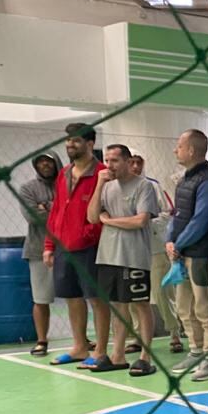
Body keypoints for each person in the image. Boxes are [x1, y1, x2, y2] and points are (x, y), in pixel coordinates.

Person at [86, 144, 160, 376]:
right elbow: (91, 217)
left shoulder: (144, 186)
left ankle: (145, 356)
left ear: (128, 162)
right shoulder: (107, 187)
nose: (110, 165)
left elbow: (140, 221)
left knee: (140, 304)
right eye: (107, 160)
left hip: (133, 255)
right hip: (108, 254)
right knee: (117, 306)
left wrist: (109, 221)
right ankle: (117, 355)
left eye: (115, 160)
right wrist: (99, 183)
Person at [44, 123, 110, 369]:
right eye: (68, 141)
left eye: (76, 141)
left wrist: (86, 234)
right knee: (72, 298)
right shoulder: (63, 174)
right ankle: (80, 346)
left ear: (90, 144)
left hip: (91, 247)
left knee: (97, 299)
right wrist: (50, 244)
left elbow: (105, 213)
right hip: (63, 247)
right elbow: (57, 210)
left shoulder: (103, 173)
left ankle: (101, 350)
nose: (70, 145)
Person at [166, 129, 208, 382]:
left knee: (206, 308)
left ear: (191, 150)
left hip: (202, 256)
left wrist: (178, 244)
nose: (175, 150)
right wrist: (170, 240)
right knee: (184, 307)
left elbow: (200, 222)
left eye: (179, 146)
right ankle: (196, 351)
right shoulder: (184, 181)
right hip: (182, 255)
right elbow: (177, 215)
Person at [130, 154, 184, 353]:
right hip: (130, 250)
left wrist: (144, 222)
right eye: (131, 162)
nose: (135, 166)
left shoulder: (154, 186)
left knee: (162, 292)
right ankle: (137, 337)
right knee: (133, 296)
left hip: (155, 247)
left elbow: (167, 213)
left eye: (139, 162)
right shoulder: (116, 188)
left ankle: (174, 332)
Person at [17, 152, 60, 356]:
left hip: (70, 248)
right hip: (38, 249)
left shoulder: (67, 185)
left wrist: (47, 207)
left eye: (49, 160)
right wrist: (58, 209)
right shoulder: (28, 189)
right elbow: (33, 216)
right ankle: (42, 340)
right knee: (41, 298)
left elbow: (76, 213)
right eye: (40, 161)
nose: (45, 164)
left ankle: (81, 339)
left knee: (76, 297)